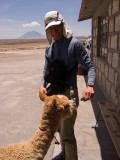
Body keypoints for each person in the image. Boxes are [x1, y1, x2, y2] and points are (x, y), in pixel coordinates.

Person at [39, 11, 96, 160]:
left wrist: (90, 85)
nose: (54, 31)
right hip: (54, 96)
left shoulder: (74, 44)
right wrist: (42, 85)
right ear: (47, 31)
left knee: (67, 135)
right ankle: (65, 154)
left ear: (62, 25)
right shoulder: (49, 49)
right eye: (50, 29)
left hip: (69, 95)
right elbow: (46, 70)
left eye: (56, 26)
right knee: (58, 128)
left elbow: (90, 66)